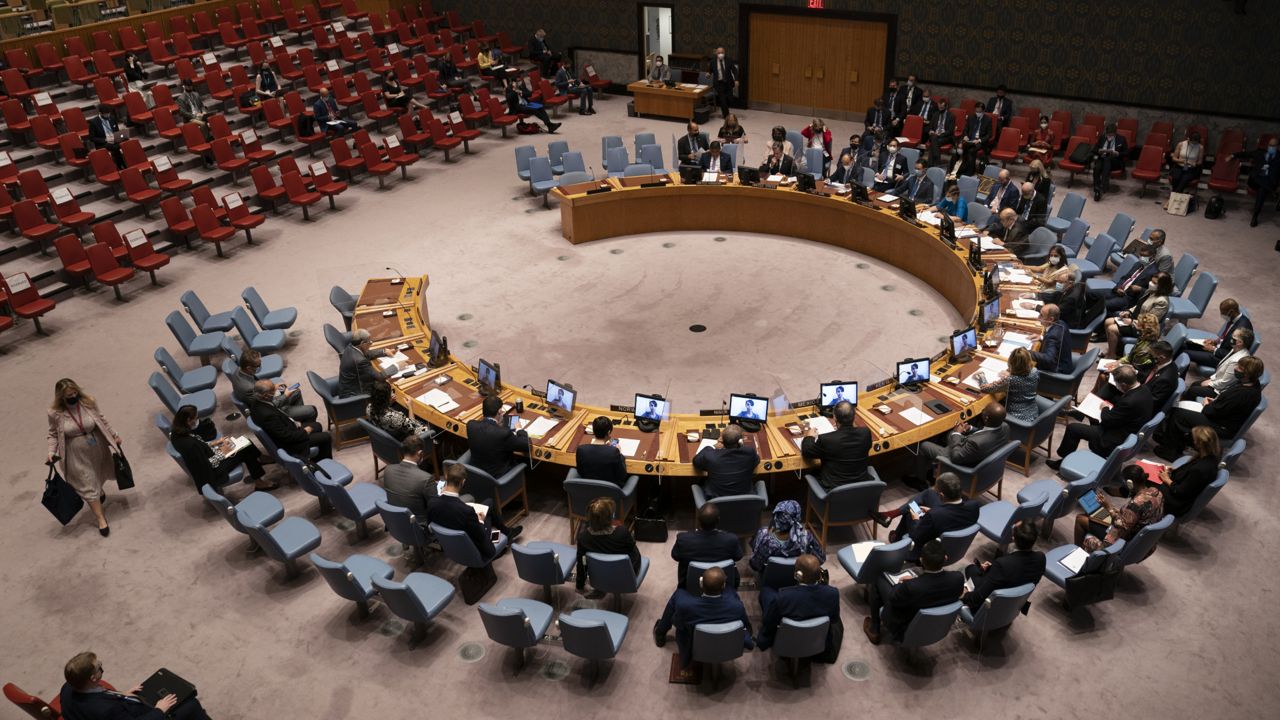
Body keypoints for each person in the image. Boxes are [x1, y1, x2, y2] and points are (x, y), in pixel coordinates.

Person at [46, 379, 121, 536]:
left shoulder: (88, 402)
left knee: (98, 473)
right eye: (69, 395)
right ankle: (100, 518)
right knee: (86, 483)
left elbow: (102, 419)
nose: (73, 396)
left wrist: (114, 435)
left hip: (97, 447)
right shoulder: (54, 413)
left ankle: (98, 491)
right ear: (61, 397)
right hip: (75, 454)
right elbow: (53, 434)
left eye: (75, 393)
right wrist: (51, 451)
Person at [1155, 356, 1263, 458]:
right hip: (1222, 416)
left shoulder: (1242, 394)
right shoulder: (1251, 384)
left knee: (1180, 415)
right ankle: (1170, 439)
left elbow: (1214, 412)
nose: (1235, 368)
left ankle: (1171, 451)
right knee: (1178, 408)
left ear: (1248, 374)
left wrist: (1207, 405)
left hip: (1222, 426)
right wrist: (1216, 401)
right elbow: (1228, 405)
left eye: (1240, 368)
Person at [1047, 365, 1151, 470]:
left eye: (1117, 383)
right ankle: (1081, 412)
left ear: (1123, 384)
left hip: (1114, 438)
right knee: (1096, 411)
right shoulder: (1145, 389)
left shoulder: (1129, 402)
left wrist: (1105, 408)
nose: (1116, 385)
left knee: (1072, 428)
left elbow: (1107, 420)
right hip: (1128, 428)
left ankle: (1062, 461)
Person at [863, 539, 963, 645]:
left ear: (921, 560)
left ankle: (874, 629)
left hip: (905, 624)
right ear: (945, 558)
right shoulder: (958, 578)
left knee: (879, 579)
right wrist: (915, 582)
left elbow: (893, 598)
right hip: (936, 625)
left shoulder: (912, 587)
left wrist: (900, 584)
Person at [651, 566, 753, 669]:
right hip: (729, 648)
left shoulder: (685, 605)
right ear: (723, 587)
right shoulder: (736, 606)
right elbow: (746, 628)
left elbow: (678, 623)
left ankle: (660, 632)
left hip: (694, 647)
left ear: (701, 584)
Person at [59, 651, 210, 720]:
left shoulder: (67, 688)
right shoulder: (105, 710)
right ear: (93, 678)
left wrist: (121, 695)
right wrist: (159, 710)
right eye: (99, 667)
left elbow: (97, 697)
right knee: (191, 703)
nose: (101, 667)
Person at [425, 463, 521, 560]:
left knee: (489, 503)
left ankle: (507, 533)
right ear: (463, 482)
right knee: (489, 509)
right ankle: (507, 534)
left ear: (446, 477)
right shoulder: (466, 511)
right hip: (476, 549)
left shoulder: (432, 503)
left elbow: (430, 526)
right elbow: (480, 536)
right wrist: (481, 521)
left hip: (451, 547)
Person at [169, 405, 273, 493]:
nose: (197, 421)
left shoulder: (177, 433)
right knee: (245, 449)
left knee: (245, 441)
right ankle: (259, 482)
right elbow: (207, 464)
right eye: (196, 418)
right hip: (214, 472)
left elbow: (200, 446)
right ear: (188, 420)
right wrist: (224, 452)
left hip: (210, 456)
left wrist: (215, 443)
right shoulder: (189, 444)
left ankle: (260, 458)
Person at [756, 553, 841, 659]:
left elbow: (769, 622)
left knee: (766, 591)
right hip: (818, 642)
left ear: (798, 575)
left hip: (788, 641)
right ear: (819, 573)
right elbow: (834, 619)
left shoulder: (783, 597)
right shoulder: (833, 594)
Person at [908, 403, 1011, 488]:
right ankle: (932, 466)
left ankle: (920, 480)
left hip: (963, 461)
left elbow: (956, 457)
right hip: (979, 452)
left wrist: (957, 434)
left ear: (986, 418)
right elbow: (986, 433)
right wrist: (970, 428)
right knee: (949, 434)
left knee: (924, 445)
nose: (982, 411)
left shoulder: (977, 443)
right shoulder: (1004, 426)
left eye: (984, 410)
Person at [1074, 465, 1164, 552]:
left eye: (1124, 482)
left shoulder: (1135, 504)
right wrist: (1119, 511)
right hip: (1142, 541)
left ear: (1130, 483)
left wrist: (1108, 507)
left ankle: (1076, 552)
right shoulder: (1156, 492)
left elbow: (1120, 526)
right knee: (1095, 516)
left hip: (1123, 540)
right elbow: (1136, 515)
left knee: (1080, 519)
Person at [962, 521, 1045, 611]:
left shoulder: (1003, 564)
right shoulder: (1041, 558)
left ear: (1013, 538)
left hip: (990, 607)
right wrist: (992, 569)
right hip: (1012, 606)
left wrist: (964, 595)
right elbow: (1019, 573)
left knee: (971, 569)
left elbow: (979, 597)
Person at [891, 472, 980, 553]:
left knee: (909, 513)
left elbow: (916, 536)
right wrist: (931, 511)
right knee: (928, 493)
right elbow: (953, 516)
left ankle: (896, 543)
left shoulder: (935, 515)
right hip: (957, 549)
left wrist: (916, 519)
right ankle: (896, 535)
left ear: (941, 496)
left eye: (936, 491)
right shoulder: (974, 506)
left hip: (930, 552)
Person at [249, 379, 332, 461]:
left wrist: (293, 422)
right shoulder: (268, 415)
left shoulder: (256, 401)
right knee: (326, 437)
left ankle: (317, 455)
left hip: (288, 428)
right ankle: (320, 464)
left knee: (317, 425)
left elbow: (275, 412)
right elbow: (287, 437)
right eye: (273, 390)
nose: (276, 392)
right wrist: (305, 431)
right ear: (266, 396)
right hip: (291, 444)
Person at [229, 348, 316, 423]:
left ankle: (297, 420)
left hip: (264, 398)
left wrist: (273, 387)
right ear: (248, 368)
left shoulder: (239, 370)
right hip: (271, 411)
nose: (260, 366)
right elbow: (268, 406)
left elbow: (260, 389)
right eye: (258, 365)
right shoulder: (248, 388)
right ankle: (292, 421)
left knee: (296, 391)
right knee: (312, 410)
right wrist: (285, 396)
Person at [575, 497, 641, 595]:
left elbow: (581, 563)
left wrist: (579, 585)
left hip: (598, 576)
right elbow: (633, 552)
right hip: (624, 576)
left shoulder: (583, 538)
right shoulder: (622, 532)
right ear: (610, 517)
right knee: (633, 548)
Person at [801, 400, 872, 490]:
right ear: (854, 417)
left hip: (835, 490)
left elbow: (807, 451)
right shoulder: (865, 433)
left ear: (835, 418)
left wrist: (809, 436)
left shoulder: (827, 439)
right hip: (862, 487)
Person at [671, 503, 742, 589]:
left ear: (698, 520)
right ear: (718, 520)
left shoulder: (683, 539)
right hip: (722, 583)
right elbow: (738, 556)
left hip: (690, 584)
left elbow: (675, 556)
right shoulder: (731, 539)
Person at [748, 500, 826, 574]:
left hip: (770, 580)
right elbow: (821, 559)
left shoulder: (764, 536)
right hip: (797, 580)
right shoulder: (807, 537)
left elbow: (755, 566)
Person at [1160, 426, 1221, 517]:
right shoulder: (1210, 457)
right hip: (1181, 491)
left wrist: (1167, 479)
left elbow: (1179, 492)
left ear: (1200, 443)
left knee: (1142, 478)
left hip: (1177, 503)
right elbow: (1190, 474)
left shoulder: (1200, 469)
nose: (1192, 441)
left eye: (1194, 439)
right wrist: (1176, 471)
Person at [465, 395, 528, 479]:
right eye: (501, 411)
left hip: (475, 475)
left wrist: (498, 423)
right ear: (499, 411)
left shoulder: (471, 425)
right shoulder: (503, 433)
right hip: (497, 477)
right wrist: (519, 428)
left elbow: (486, 430)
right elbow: (525, 445)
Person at [1184, 327, 1254, 400]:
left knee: (1193, 390)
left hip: (1221, 391)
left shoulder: (1237, 361)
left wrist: (1210, 383)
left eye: (1233, 337)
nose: (1230, 338)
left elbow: (1225, 382)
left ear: (1239, 342)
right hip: (1218, 380)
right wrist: (1211, 379)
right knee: (1195, 384)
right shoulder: (1235, 349)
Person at [692, 423, 759, 499]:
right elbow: (756, 461)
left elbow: (696, 462)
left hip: (716, 504)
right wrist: (741, 447)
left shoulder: (710, 455)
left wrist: (713, 447)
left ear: (721, 440)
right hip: (745, 501)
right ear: (740, 441)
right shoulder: (750, 453)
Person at [1185, 298, 1253, 369]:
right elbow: (1226, 337)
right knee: (1186, 344)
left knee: (1185, 353)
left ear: (1231, 312)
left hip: (1222, 359)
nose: (1222, 315)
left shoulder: (1242, 329)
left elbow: (1234, 354)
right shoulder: (1234, 319)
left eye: (1223, 313)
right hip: (1219, 347)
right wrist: (1215, 341)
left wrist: (1214, 349)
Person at [383, 435, 437, 521]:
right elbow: (435, 507)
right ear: (420, 453)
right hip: (418, 527)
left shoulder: (388, 470)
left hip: (394, 521)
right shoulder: (425, 478)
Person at [979, 347, 1040, 423]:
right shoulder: (1035, 371)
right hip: (1033, 413)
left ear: (1011, 363)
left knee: (984, 416)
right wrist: (1010, 374)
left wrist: (981, 377)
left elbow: (986, 389)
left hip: (1017, 420)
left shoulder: (1011, 380)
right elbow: (1023, 378)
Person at [1237, 136, 1280, 226]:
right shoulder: (1261, 153)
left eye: (1274, 145)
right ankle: (1271, 191)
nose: (1271, 147)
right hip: (1255, 181)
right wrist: (1233, 155)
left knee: (1262, 190)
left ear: (1278, 147)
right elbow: (1246, 154)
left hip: (1268, 182)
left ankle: (1255, 215)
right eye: (1270, 145)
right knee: (1259, 182)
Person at [575, 416, 629, 486]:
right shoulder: (613, 452)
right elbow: (622, 476)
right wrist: (619, 453)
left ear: (593, 431)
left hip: (588, 489)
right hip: (611, 491)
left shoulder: (581, 450)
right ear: (609, 432)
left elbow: (580, 472)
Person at [337, 328, 389, 398]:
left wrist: (383, 352)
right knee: (384, 387)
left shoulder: (350, 346)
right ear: (362, 343)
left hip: (347, 388)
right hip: (354, 396)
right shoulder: (360, 361)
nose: (371, 343)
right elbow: (380, 377)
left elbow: (366, 353)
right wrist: (397, 366)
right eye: (369, 342)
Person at [1030, 303, 1072, 374]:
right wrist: (1042, 337)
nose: (1038, 317)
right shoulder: (1061, 323)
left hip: (1058, 371)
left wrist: (1027, 353)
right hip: (1064, 363)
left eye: (1041, 315)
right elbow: (1057, 342)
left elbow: (1048, 358)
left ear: (1051, 319)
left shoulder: (1053, 336)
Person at [1092, 122, 1128, 201]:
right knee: (1097, 167)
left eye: (1111, 135)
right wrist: (1099, 150)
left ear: (1115, 134)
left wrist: (1118, 153)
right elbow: (1094, 149)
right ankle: (1097, 188)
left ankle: (1103, 184)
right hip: (1102, 158)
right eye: (1108, 135)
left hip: (1115, 161)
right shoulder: (1102, 137)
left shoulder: (1122, 139)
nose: (1109, 137)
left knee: (1107, 160)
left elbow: (1127, 153)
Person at [87, 104, 126, 169]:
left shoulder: (112, 118)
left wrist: (120, 136)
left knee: (125, 142)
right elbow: (92, 138)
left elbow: (116, 131)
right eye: (106, 114)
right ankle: (121, 166)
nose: (108, 116)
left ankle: (123, 165)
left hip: (113, 139)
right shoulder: (94, 122)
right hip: (103, 143)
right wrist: (105, 140)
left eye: (109, 114)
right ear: (100, 113)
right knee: (115, 147)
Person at [710, 46, 738, 118]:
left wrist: (736, 80)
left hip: (728, 83)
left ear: (724, 53)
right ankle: (726, 116)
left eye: (722, 52)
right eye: (719, 53)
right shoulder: (713, 61)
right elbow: (710, 70)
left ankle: (727, 110)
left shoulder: (729, 60)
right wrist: (708, 73)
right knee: (723, 100)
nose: (720, 54)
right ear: (716, 53)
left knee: (730, 100)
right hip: (719, 83)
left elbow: (734, 70)